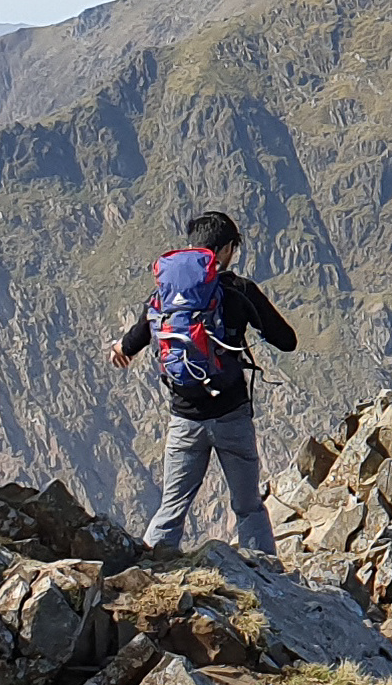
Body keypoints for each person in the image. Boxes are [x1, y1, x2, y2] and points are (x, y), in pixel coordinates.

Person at [106, 209, 297, 556]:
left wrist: (121, 348)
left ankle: (152, 571)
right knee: (248, 507)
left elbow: (138, 335)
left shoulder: (165, 295)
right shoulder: (238, 290)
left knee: (172, 506)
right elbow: (287, 340)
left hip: (184, 419)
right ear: (224, 250)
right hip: (231, 417)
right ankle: (267, 576)